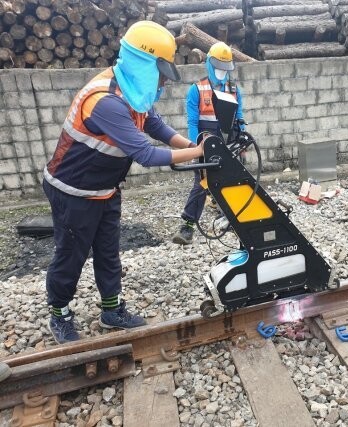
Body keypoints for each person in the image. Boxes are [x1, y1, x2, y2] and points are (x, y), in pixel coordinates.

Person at [42, 21, 203, 344]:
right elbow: (145, 153)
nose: (161, 82)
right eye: (159, 73)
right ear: (142, 64)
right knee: (71, 254)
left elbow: (154, 125)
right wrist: (199, 152)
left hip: (105, 188)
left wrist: (189, 146)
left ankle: (111, 310)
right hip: (73, 192)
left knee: (107, 251)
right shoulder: (105, 100)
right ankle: (59, 313)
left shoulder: (131, 92)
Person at [172, 42, 245, 245]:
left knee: (233, 180)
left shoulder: (234, 89)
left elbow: (239, 118)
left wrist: (242, 138)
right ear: (209, 65)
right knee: (202, 183)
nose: (222, 72)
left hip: (228, 143)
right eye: (218, 67)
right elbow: (193, 122)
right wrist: (197, 149)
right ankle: (187, 225)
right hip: (206, 143)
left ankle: (232, 218)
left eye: (225, 68)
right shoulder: (196, 90)